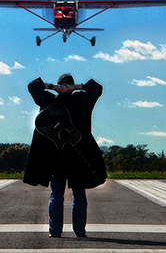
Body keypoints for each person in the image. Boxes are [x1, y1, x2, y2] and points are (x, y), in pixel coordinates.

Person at [23, 73, 107, 238]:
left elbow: (33, 86)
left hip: (56, 155)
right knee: (79, 194)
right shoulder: (82, 101)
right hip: (78, 154)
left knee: (57, 194)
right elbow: (96, 88)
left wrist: (52, 87)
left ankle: (54, 231)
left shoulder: (49, 100)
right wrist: (77, 87)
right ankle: (80, 231)